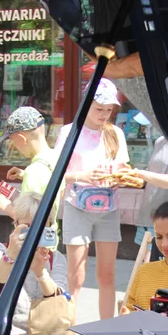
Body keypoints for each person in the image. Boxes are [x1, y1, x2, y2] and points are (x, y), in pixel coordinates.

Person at [53, 78, 128, 320]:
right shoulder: (69, 132)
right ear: (87, 104)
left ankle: (107, 328)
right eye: (99, 108)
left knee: (107, 275)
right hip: (77, 206)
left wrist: (119, 178)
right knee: (77, 275)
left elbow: (124, 169)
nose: (104, 114)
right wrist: (82, 176)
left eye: (109, 110)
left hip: (109, 207)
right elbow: (55, 173)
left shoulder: (115, 133)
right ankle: (68, 328)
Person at [0, 191, 69, 335]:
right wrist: (10, 256)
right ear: (16, 224)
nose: (33, 233)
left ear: (50, 226)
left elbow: (59, 305)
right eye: (27, 227)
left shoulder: (55, 259)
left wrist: (41, 273)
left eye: (39, 227)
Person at [0, 106, 57, 214]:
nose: (14, 146)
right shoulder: (55, 157)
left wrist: (5, 207)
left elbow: (29, 219)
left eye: (13, 141)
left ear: (22, 139)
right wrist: (25, 175)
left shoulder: (33, 172)